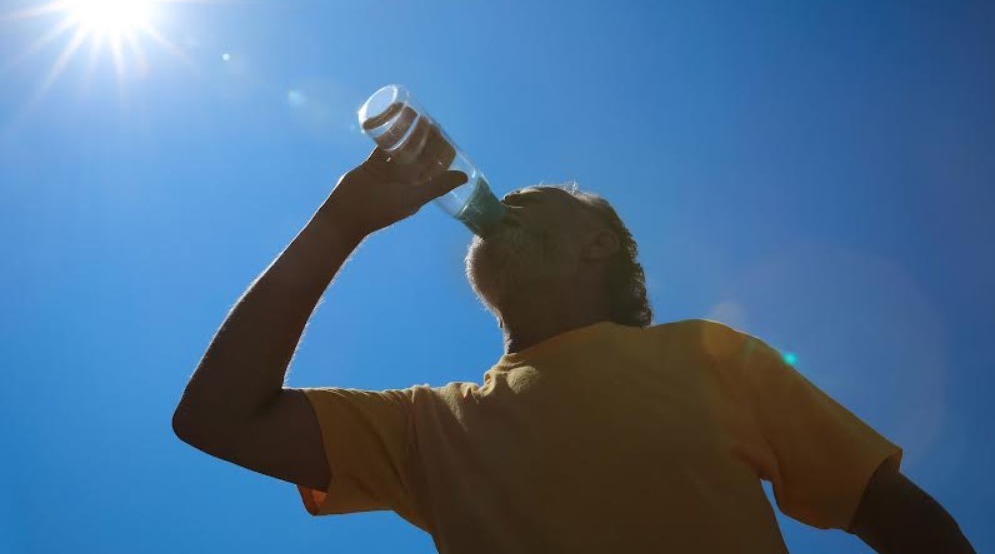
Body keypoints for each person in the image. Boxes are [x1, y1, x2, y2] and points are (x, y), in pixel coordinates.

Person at [172, 145, 975, 553]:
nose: (505, 205)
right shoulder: (432, 427)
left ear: (600, 247)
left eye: (534, 203)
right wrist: (340, 220)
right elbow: (217, 417)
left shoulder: (707, 355)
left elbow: (885, 506)